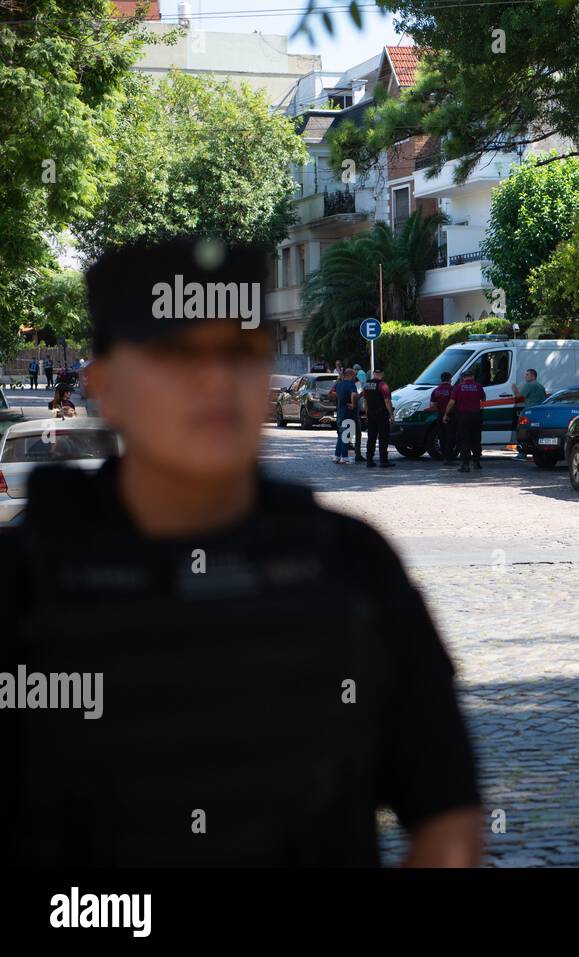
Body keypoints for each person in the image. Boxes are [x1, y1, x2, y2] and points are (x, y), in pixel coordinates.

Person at [0, 236, 481, 866]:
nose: (216, 379)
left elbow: (449, 818)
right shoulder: (22, 581)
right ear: (105, 386)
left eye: (240, 351)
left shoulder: (351, 565)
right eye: (176, 353)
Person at [445, 368, 485, 473]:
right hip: (476, 416)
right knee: (476, 440)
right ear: (473, 377)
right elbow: (483, 399)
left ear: (463, 378)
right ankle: (477, 463)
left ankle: (465, 465)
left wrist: (446, 414)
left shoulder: (458, 387)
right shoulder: (478, 386)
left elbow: (451, 402)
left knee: (464, 440)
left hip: (462, 417)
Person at [511, 368, 546, 460]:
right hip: (539, 413)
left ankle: (522, 454)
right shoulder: (541, 386)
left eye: (527, 375)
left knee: (522, 431)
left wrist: (514, 389)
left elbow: (518, 395)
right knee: (536, 433)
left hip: (529, 412)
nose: (525, 376)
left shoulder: (529, 385)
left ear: (532, 376)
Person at [364, 365, 394, 468]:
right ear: (382, 374)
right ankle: (383, 460)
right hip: (381, 414)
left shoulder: (367, 384)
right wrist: (391, 414)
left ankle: (369, 460)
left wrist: (366, 413)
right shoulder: (382, 385)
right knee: (383, 437)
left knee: (371, 438)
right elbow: (387, 401)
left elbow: (365, 401)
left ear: (373, 374)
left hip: (371, 414)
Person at [333, 367, 358, 465]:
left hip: (340, 412)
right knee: (346, 436)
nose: (355, 377)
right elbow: (354, 395)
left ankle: (337, 456)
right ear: (351, 375)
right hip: (348, 413)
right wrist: (353, 404)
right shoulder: (352, 385)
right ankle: (345, 457)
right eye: (354, 375)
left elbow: (332, 393)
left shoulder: (339, 385)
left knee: (340, 435)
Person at [431, 371, 455, 465]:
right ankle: (449, 458)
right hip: (450, 415)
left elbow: (433, 405)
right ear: (450, 379)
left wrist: (439, 411)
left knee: (442, 437)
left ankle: (445, 457)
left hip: (439, 415)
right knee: (451, 436)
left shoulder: (435, 390)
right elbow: (453, 402)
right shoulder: (452, 389)